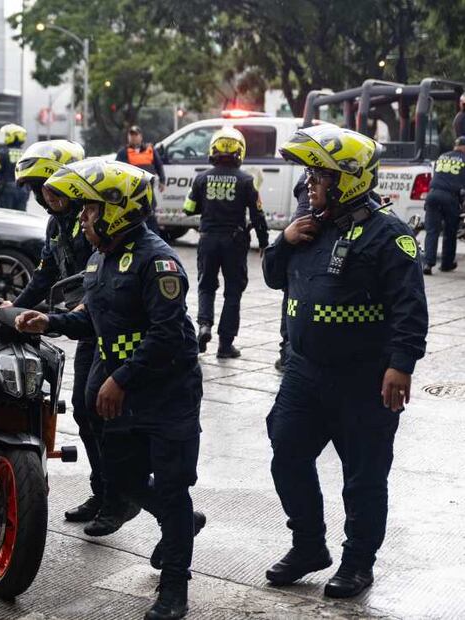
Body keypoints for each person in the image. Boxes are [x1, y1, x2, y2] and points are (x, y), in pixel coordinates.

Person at [15, 158, 204, 620]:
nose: (83, 218)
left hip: (167, 392)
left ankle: (174, 584)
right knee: (124, 482)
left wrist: (120, 379)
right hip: (123, 391)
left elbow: (166, 334)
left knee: (173, 485)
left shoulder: (157, 261)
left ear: (118, 210)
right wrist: (50, 321)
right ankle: (178, 523)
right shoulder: (100, 257)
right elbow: (92, 319)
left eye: (91, 210)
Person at [263, 125, 427, 599]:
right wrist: (285, 240)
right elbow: (274, 278)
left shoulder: (388, 235)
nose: (310, 184)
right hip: (304, 373)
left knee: (364, 477)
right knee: (287, 453)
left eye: (320, 176)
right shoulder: (309, 226)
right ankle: (309, 546)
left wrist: (402, 364)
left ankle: (358, 563)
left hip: (364, 380)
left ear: (349, 179)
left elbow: (410, 307)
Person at [7, 138, 124, 529]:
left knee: (103, 413)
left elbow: (101, 277)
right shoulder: (57, 223)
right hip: (82, 324)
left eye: (51, 185)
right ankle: (104, 491)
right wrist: (13, 309)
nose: (44, 195)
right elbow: (44, 273)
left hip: (110, 328)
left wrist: (68, 314)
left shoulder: (96, 219)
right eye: (39, 188)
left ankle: (119, 499)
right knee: (84, 408)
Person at [183, 127, 269, 358]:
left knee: (206, 285)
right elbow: (258, 215)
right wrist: (264, 242)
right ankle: (225, 344)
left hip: (207, 239)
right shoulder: (247, 180)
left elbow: (188, 208)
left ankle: (204, 326)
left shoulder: (201, 178)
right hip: (235, 242)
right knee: (233, 292)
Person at [275, 171, 312, 372]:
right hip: (304, 238)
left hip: (298, 238)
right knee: (293, 298)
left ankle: (286, 353)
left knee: (291, 298)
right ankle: (288, 353)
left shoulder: (307, 174)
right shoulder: (318, 176)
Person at [422, 136, 465, 275]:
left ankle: (428, 263)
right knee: (450, 232)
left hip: (433, 195)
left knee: (432, 231)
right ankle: (446, 264)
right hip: (450, 197)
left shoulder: (442, 156)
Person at [116, 125, 166, 233]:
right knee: (134, 219)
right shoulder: (123, 152)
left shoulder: (150, 150)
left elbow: (159, 165)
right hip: (132, 192)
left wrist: (162, 181)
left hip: (148, 190)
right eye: (131, 135)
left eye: (135, 135)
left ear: (141, 136)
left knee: (150, 217)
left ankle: (154, 239)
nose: (133, 138)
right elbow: (117, 170)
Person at [0, 123, 29, 210]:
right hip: (23, 190)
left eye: (7, 135)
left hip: (6, 189)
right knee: (20, 217)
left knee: (4, 216)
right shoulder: (27, 154)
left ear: (13, 136)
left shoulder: (2, 153)